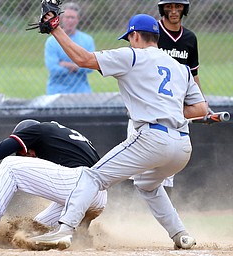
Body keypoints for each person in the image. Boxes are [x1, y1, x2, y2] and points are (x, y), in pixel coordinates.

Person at [31, 13, 207, 250]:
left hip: (152, 138)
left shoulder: (132, 56)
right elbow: (200, 108)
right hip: (182, 146)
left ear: (135, 35)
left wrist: (55, 29)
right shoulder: (181, 68)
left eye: (129, 37)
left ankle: (64, 230)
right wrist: (172, 110)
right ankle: (181, 235)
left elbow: (83, 59)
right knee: (148, 184)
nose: (129, 41)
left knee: (91, 177)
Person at [0, 120, 107, 243]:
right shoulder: (63, 137)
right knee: (34, 229)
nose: (26, 157)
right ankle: (80, 235)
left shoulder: (35, 131)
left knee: (9, 165)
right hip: (97, 196)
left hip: (78, 183)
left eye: (23, 152)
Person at [128, 0, 206, 194]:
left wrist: (200, 103)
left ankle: (158, 218)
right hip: (147, 111)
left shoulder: (189, 38)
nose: (173, 11)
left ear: (184, 9)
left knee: (165, 174)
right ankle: (132, 213)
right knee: (136, 166)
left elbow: (193, 76)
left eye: (178, 7)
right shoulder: (153, 33)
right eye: (169, 7)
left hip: (175, 111)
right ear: (162, 9)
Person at [45, 2, 95, 95]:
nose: (70, 20)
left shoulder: (87, 40)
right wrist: (79, 64)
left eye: (73, 17)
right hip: (57, 91)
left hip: (82, 91)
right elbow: (53, 68)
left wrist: (66, 65)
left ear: (78, 19)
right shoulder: (51, 41)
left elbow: (91, 67)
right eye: (67, 17)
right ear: (61, 19)